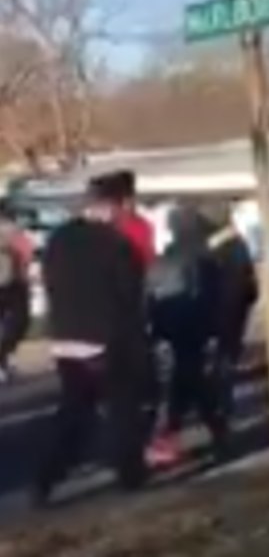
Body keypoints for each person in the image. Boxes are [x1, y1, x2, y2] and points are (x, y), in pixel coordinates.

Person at [34, 175, 153, 507]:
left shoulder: (58, 239)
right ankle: (130, 473)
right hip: (106, 339)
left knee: (74, 409)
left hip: (65, 337)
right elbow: (130, 296)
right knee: (123, 408)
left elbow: (49, 283)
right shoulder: (116, 245)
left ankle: (46, 477)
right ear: (116, 204)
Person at [146, 206, 226, 465]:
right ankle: (215, 434)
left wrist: (153, 327)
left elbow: (149, 298)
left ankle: (169, 439)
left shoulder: (161, 261)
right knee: (192, 386)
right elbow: (213, 299)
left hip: (169, 332)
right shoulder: (205, 261)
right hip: (194, 330)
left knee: (178, 388)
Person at [200, 200, 258, 420]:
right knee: (225, 358)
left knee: (221, 361)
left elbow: (236, 285)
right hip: (233, 311)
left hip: (224, 312)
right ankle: (220, 403)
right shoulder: (235, 244)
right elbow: (251, 287)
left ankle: (219, 406)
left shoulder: (223, 248)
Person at [0, 200, 33, 383]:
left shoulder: (12, 230)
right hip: (13, 283)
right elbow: (26, 252)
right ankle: (4, 358)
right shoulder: (13, 230)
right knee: (19, 321)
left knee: (12, 323)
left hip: (11, 281)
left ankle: (5, 359)